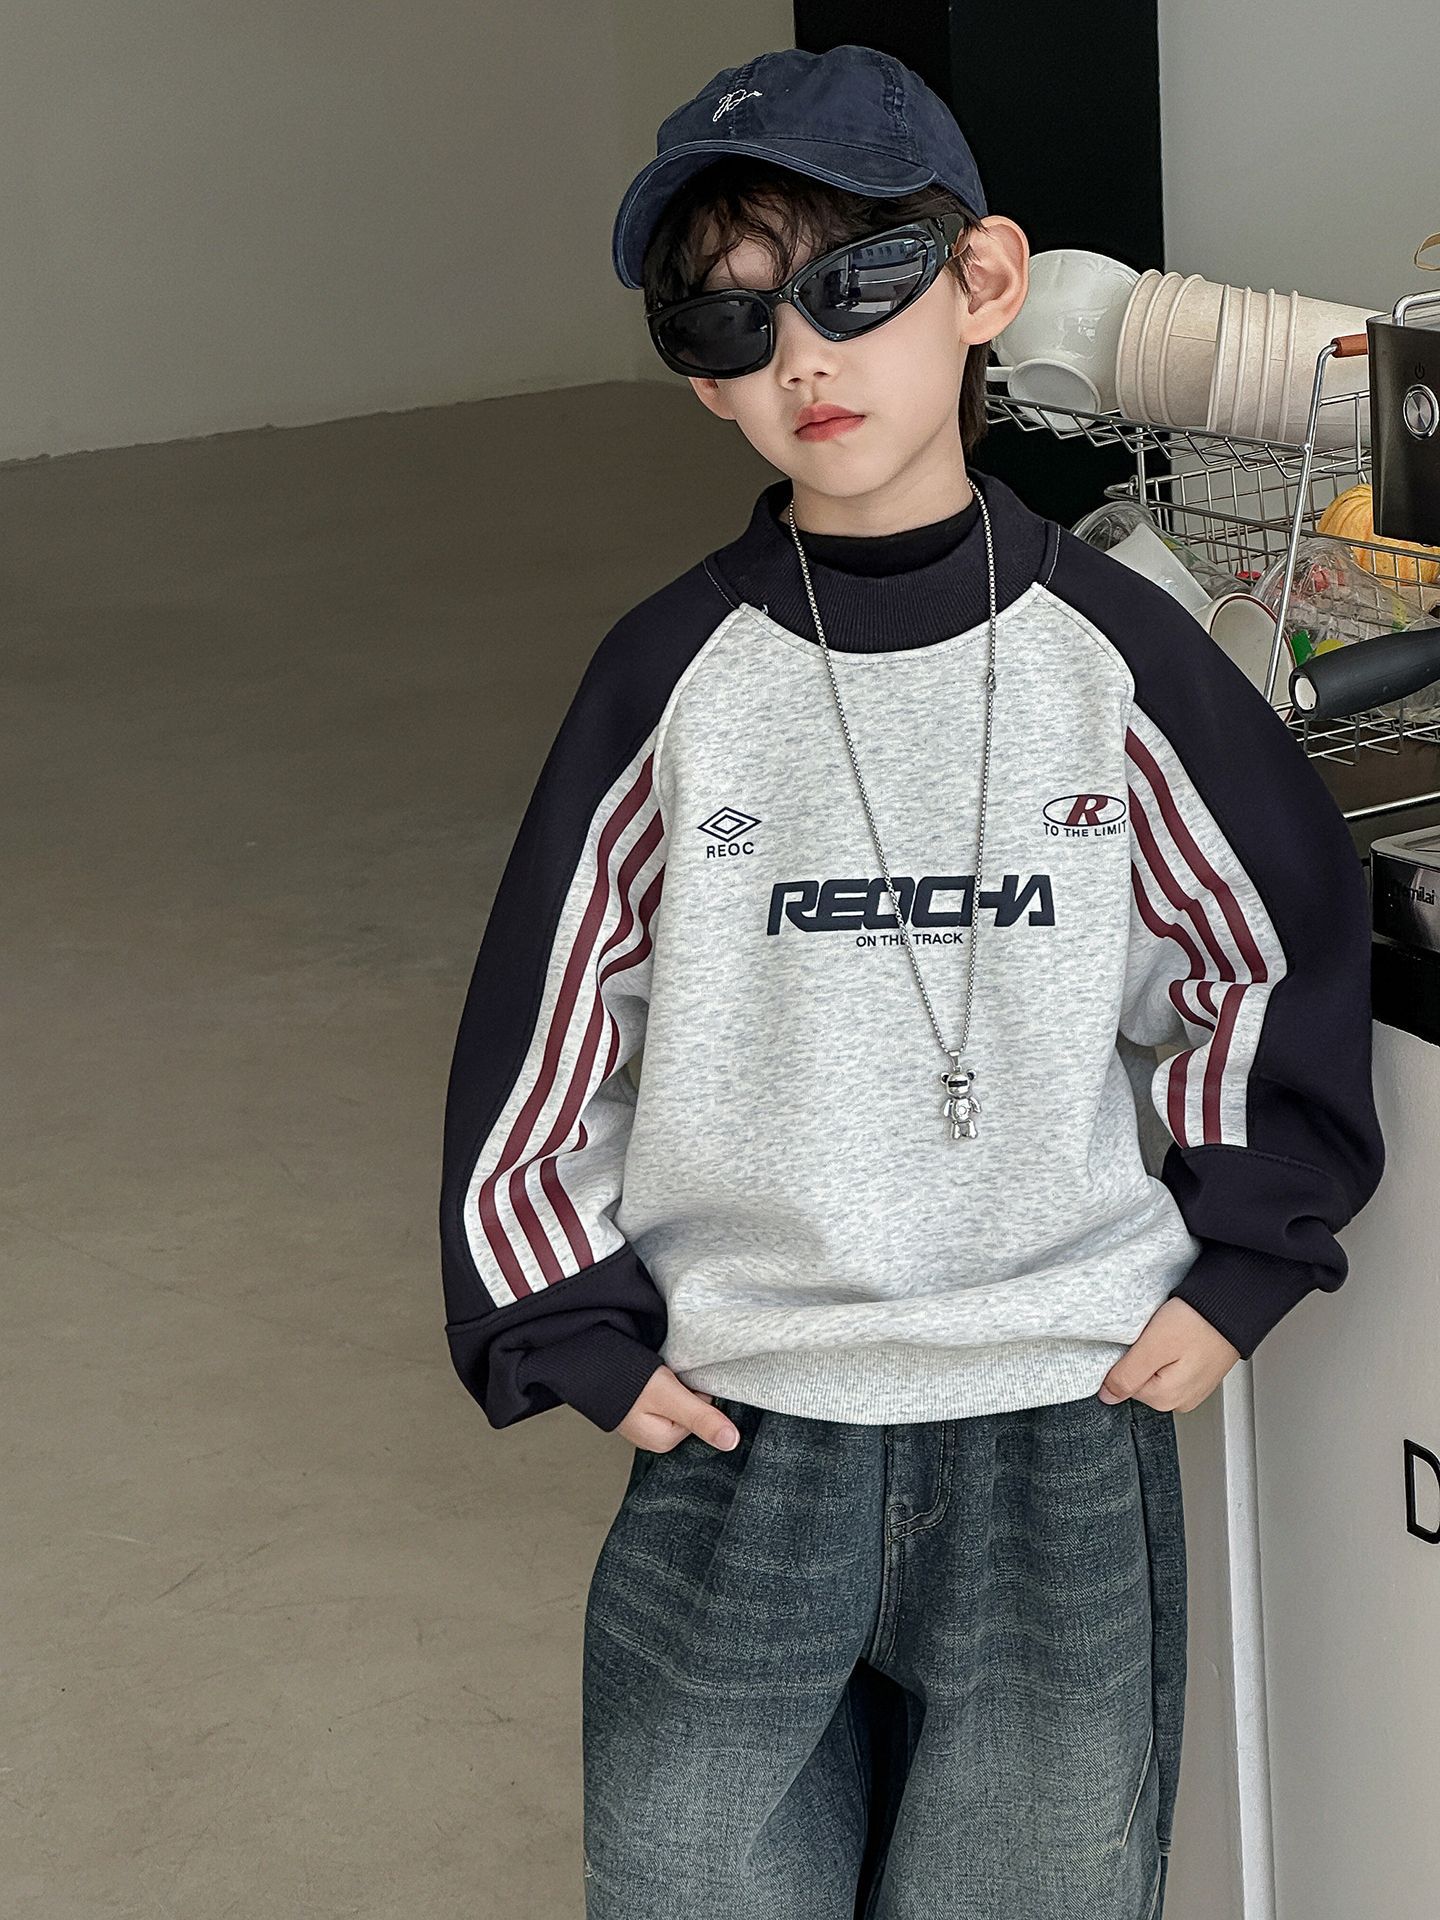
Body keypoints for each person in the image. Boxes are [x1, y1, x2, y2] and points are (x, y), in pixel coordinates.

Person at [438, 43, 1386, 1920]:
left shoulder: (1122, 660)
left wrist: (1248, 1254)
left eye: (856, 281)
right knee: (692, 1876)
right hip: (743, 1421)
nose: (805, 355)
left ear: (984, 282)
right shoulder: (669, 682)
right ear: (704, 381)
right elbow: (550, 1019)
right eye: (731, 320)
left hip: (1060, 1418)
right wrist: (564, 1319)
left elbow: (1264, 949)